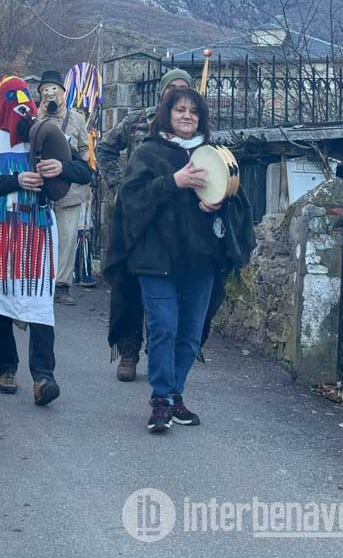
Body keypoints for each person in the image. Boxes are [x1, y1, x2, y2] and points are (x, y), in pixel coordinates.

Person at [118, 87, 253, 433]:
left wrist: (220, 203)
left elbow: (239, 203)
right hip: (157, 259)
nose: (187, 116)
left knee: (191, 334)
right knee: (164, 326)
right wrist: (173, 182)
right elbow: (130, 202)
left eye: (194, 112)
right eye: (180, 110)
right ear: (167, 113)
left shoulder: (215, 155)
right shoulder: (148, 153)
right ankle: (161, 399)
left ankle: (174, 393)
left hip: (201, 260)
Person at [0, 76, 83, 406]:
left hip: (38, 234)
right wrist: (15, 180)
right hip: (0, 233)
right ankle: (5, 367)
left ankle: (44, 377)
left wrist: (61, 166)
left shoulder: (46, 136)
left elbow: (83, 172)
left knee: (40, 305)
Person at [98, 68, 193, 382]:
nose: (176, 94)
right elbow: (104, 148)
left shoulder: (192, 129)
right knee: (128, 283)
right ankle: (128, 351)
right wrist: (118, 186)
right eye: (171, 89)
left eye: (183, 89)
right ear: (162, 93)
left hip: (173, 220)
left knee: (168, 285)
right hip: (134, 214)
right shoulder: (137, 121)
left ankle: (159, 350)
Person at [36, 69, 93, 306]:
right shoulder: (36, 118)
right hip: (42, 188)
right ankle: (39, 282)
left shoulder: (77, 119)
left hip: (70, 190)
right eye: (45, 91)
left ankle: (62, 285)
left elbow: (85, 154)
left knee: (67, 237)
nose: (51, 95)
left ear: (63, 92)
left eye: (54, 90)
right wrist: (38, 118)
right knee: (41, 237)